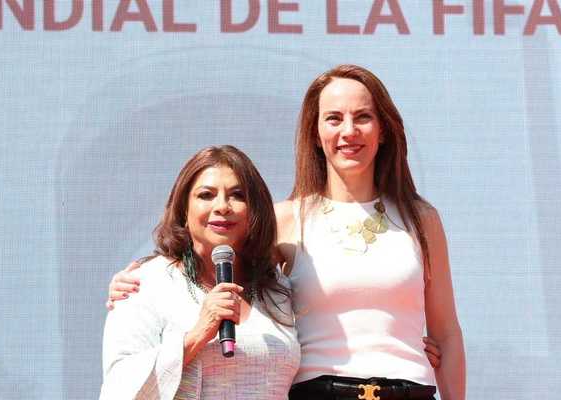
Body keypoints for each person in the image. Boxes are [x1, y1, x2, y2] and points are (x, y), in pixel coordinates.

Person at [109, 65, 466, 400]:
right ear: (315, 131)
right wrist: (142, 273)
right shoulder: (287, 218)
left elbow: (446, 334)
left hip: (409, 389)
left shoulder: (421, 218)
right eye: (333, 119)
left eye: (363, 117)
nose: (349, 131)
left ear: (384, 128)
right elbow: (214, 249)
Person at [99, 145, 300, 400]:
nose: (222, 206)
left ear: (254, 211)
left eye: (237, 195)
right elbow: (118, 387)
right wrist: (197, 335)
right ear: (184, 209)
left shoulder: (276, 288)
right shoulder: (144, 284)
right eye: (206, 195)